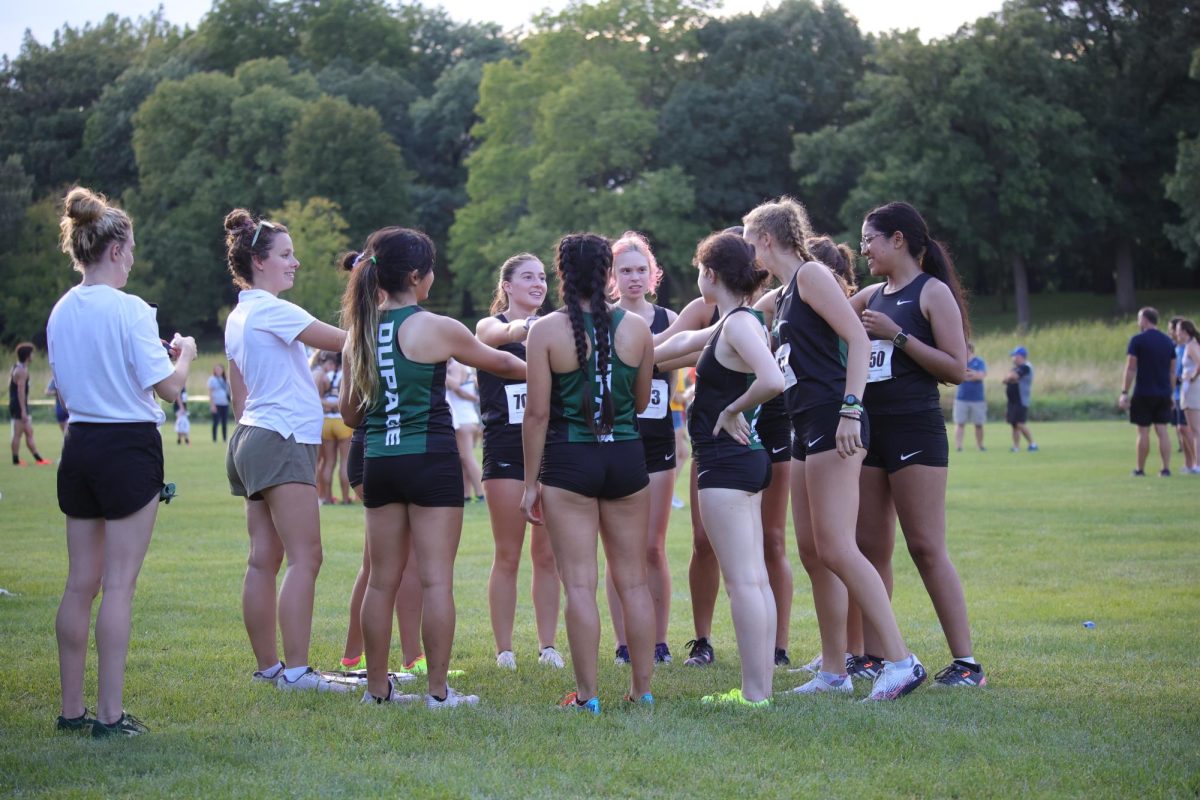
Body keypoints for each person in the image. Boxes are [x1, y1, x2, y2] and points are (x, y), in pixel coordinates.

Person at [745, 200, 927, 701]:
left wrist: (851, 408)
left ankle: (900, 660)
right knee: (813, 552)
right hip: (802, 424)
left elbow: (859, 342)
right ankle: (833, 670)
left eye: (746, 236)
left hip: (834, 418)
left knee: (838, 547)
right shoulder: (781, 295)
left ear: (765, 238)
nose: (744, 246)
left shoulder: (812, 277)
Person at [339, 227, 525, 708]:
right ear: (417, 277)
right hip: (432, 461)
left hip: (379, 461)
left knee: (381, 579)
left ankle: (377, 691)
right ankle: (438, 693)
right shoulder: (436, 326)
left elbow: (350, 416)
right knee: (435, 579)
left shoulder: (358, 330)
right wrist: (556, 363)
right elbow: (502, 365)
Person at [48, 186, 197, 736]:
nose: (132, 259)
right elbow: (167, 389)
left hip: (80, 444)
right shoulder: (132, 309)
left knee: (78, 583)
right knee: (119, 584)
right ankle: (110, 715)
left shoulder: (62, 309)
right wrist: (183, 356)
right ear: (114, 250)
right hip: (128, 446)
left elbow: (68, 382)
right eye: (130, 249)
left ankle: (70, 711)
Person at [520, 233, 657, 715]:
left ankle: (587, 696)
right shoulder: (638, 328)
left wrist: (529, 481)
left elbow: (536, 415)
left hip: (569, 462)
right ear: (608, 275)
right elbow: (640, 404)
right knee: (634, 582)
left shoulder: (545, 331)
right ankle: (642, 691)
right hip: (625, 458)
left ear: (562, 275)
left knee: (579, 584)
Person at [852, 201, 985, 688]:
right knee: (869, 548)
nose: (864, 248)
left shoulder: (932, 293)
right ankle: (877, 656)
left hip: (916, 431)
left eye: (870, 239)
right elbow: (819, 321)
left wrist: (899, 336)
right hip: (870, 433)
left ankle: (967, 664)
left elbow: (956, 367)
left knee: (926, 546)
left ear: (898, 240)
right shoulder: (870, 295)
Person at [222, 208, 348, 693]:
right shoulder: (272, 309)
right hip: (281, 437)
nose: (294, 262)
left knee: (262, 559)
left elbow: (239, 396)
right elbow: (346, 341)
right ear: (259, 261)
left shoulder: (239, 315)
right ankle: (296, 672)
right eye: (286, 255)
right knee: (305, 557)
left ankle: (270, 669)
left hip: (252, 436)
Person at [655, 231, 783, 706]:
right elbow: (687, 340)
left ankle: (754, 693)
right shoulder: (735, 321)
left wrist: (732, 410)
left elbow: (772, 379)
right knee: (754, 579)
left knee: (744, 582)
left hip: (727, 465)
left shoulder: (738, 326)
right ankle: (760, 688)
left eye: (698, 272)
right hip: (739, 465)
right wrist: (634, 351)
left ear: (711, 275)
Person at [475, 252, 564, 671]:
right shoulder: (489, 326)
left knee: (547, 555)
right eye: (527, 277)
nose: (538, 283)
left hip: (552, 451)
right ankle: (504, 649)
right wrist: (529, 328)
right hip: (506, 452)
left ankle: (548, 646)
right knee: (507, 553)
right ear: (506, 286)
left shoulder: (555, 330)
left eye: (543, 277)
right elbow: (499, 332)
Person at [603, 232, 678, 667]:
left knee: (651, 546)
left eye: (640, 270)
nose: (634, 277)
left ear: (653, 275)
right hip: (617, 439)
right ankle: (624, 641)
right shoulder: (605, 320)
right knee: (619, 548)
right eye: (625, 270)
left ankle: (660, 639)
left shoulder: (669, 319)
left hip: (658, 441)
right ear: (612, 277)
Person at [1118, 307, 1177, 477]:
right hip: (1163, 392)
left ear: (1144, 319)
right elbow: (1172, 372)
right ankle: (1165, 468)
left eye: (1139, 319)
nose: (1138, 322)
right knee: (1162, 430)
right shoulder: (1168, 342)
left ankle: (1140, 469)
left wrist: (1124, 391)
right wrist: (1171, 393)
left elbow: (1130, 368)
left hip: (1144, 391)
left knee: (1143, 431)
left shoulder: (1137, 340)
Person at [446, 358, 485, 503]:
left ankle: (481, 493)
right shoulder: (463, 366)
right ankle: (466, 494)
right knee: (463, 459)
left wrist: (437, 369)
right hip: (467, 417)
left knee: (467, 457)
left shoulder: (456, 366)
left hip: (463, 418)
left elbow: (455, 385)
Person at [318, 352, 353, 505]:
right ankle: (345, 498)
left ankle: (327, 497)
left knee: (328, 462)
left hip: (326, 422)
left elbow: (319, 397)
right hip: (341, 421)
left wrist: (327, 404)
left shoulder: (327, 374)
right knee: (344, 461)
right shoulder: (345, 374)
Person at [10, 343, 50, 466]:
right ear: (27, 356)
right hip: (19, 405)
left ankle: (38, 459)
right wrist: (23, 410)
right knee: (18, 433)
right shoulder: (22, 371)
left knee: (28, 431)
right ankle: (16, 461)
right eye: (32, 353)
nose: (33, 356)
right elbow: (20, 392)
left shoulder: (16, 367)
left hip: (17, 404)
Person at [1173, 319, 1200, 474]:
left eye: (1178, 330)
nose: (1176, 334)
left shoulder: (1190, 346)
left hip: (1193, 390)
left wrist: (1192, 377)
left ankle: (1197, 465)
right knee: (1195, 429)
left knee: (1196, 430)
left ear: (1185, 332)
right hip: (1191, 389)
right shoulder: (1192, 345)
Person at [1167, 319, 1194, 470]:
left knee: (1185, 428)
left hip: (1187, 392)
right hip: (1178, 394)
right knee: (1180, 428)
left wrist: (1185, 378)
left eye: (1175, 330)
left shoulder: (1190, 347)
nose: (1173, 333)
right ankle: (1188, 463)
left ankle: (1196, 462)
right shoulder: (1177, 348)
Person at [954, 342, 987, 452]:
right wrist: (972, 374)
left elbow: (981, 376)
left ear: (970, 350)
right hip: (961, 398)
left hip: (977, 399)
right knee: (960, 423)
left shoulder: (979, 361)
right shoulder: (960, 362)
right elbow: (958, 375)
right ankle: (958, 446)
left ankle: (980, 446)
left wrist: (969, 374)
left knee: (978, 424)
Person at [1003, 346, 1037, 452]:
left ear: (1021, 356)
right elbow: (1005, 379)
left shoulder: (1026, 367)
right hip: (1012, 401)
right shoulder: (1016, 368)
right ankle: (1016, 447)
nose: (1013, 358)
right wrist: (1010, 377)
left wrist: (1011, 377)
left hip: (1021, 400)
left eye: (1014, 356)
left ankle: (1032, 444)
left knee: (1020, 423)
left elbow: (1013, 377)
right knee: (1014, 424)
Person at [208, 364, 231, 443]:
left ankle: (224, 439)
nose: (218, 371)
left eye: (220, 369)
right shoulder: (212, 379)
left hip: (225, 403)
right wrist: (212, 405)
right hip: (216, 403)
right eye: (217, 369)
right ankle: (214, 439)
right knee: (216, 422)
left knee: (224, 422)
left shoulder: (225, 380)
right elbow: (210, 393)